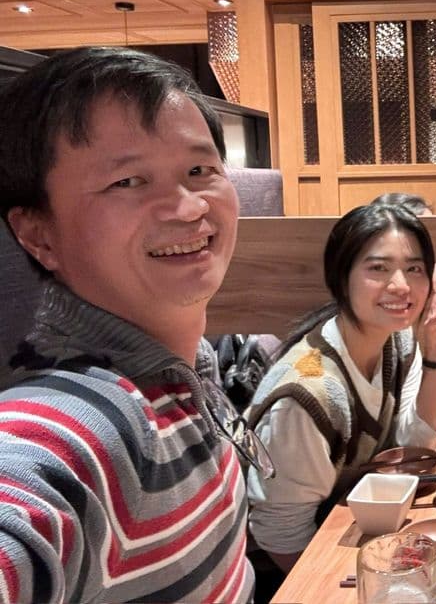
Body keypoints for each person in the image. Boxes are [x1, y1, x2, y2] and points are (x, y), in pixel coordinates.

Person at [0, 47, 256, 603]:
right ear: (39, 235)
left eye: (199, 170)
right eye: (129, 181)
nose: (188, 208)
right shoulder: (88, 419)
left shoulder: (190, 367)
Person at [244, 204, 436, 572]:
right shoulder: (306, 395)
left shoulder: (397, 339)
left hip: (355, 531)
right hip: (289, 567)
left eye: (414, 269)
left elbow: (414, 444)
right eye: (378, 268)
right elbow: (280, 533)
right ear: (341, 277)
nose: (401, 286)